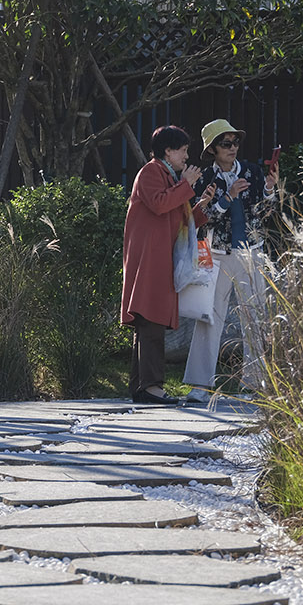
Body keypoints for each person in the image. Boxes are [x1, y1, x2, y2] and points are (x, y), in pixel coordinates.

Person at [182, 119, 277, 401]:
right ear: (212, 149)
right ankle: (200, 385)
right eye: (226, 143)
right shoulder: (202, 179)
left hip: (251, 252)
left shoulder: (252, 171)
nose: (233, 148)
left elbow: (265, 213)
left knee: (256, 317)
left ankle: (255, 384)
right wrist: (228, 196)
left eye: (236, 142)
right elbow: (201, 218)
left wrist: (271, 189)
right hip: (217, 254)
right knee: (209, 317)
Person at [121, 125, 208, 405]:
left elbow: (177, 218)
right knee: (151, 321)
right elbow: (160, 205)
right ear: (168, 151)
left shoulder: (167, 175)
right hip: (149, 259)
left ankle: (142, 387)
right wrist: (187, 185)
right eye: (182, 150)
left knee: (149, 323)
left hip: (158, 257)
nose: (186, 156)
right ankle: (151, 387)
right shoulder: (150, 172)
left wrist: (203, 205)